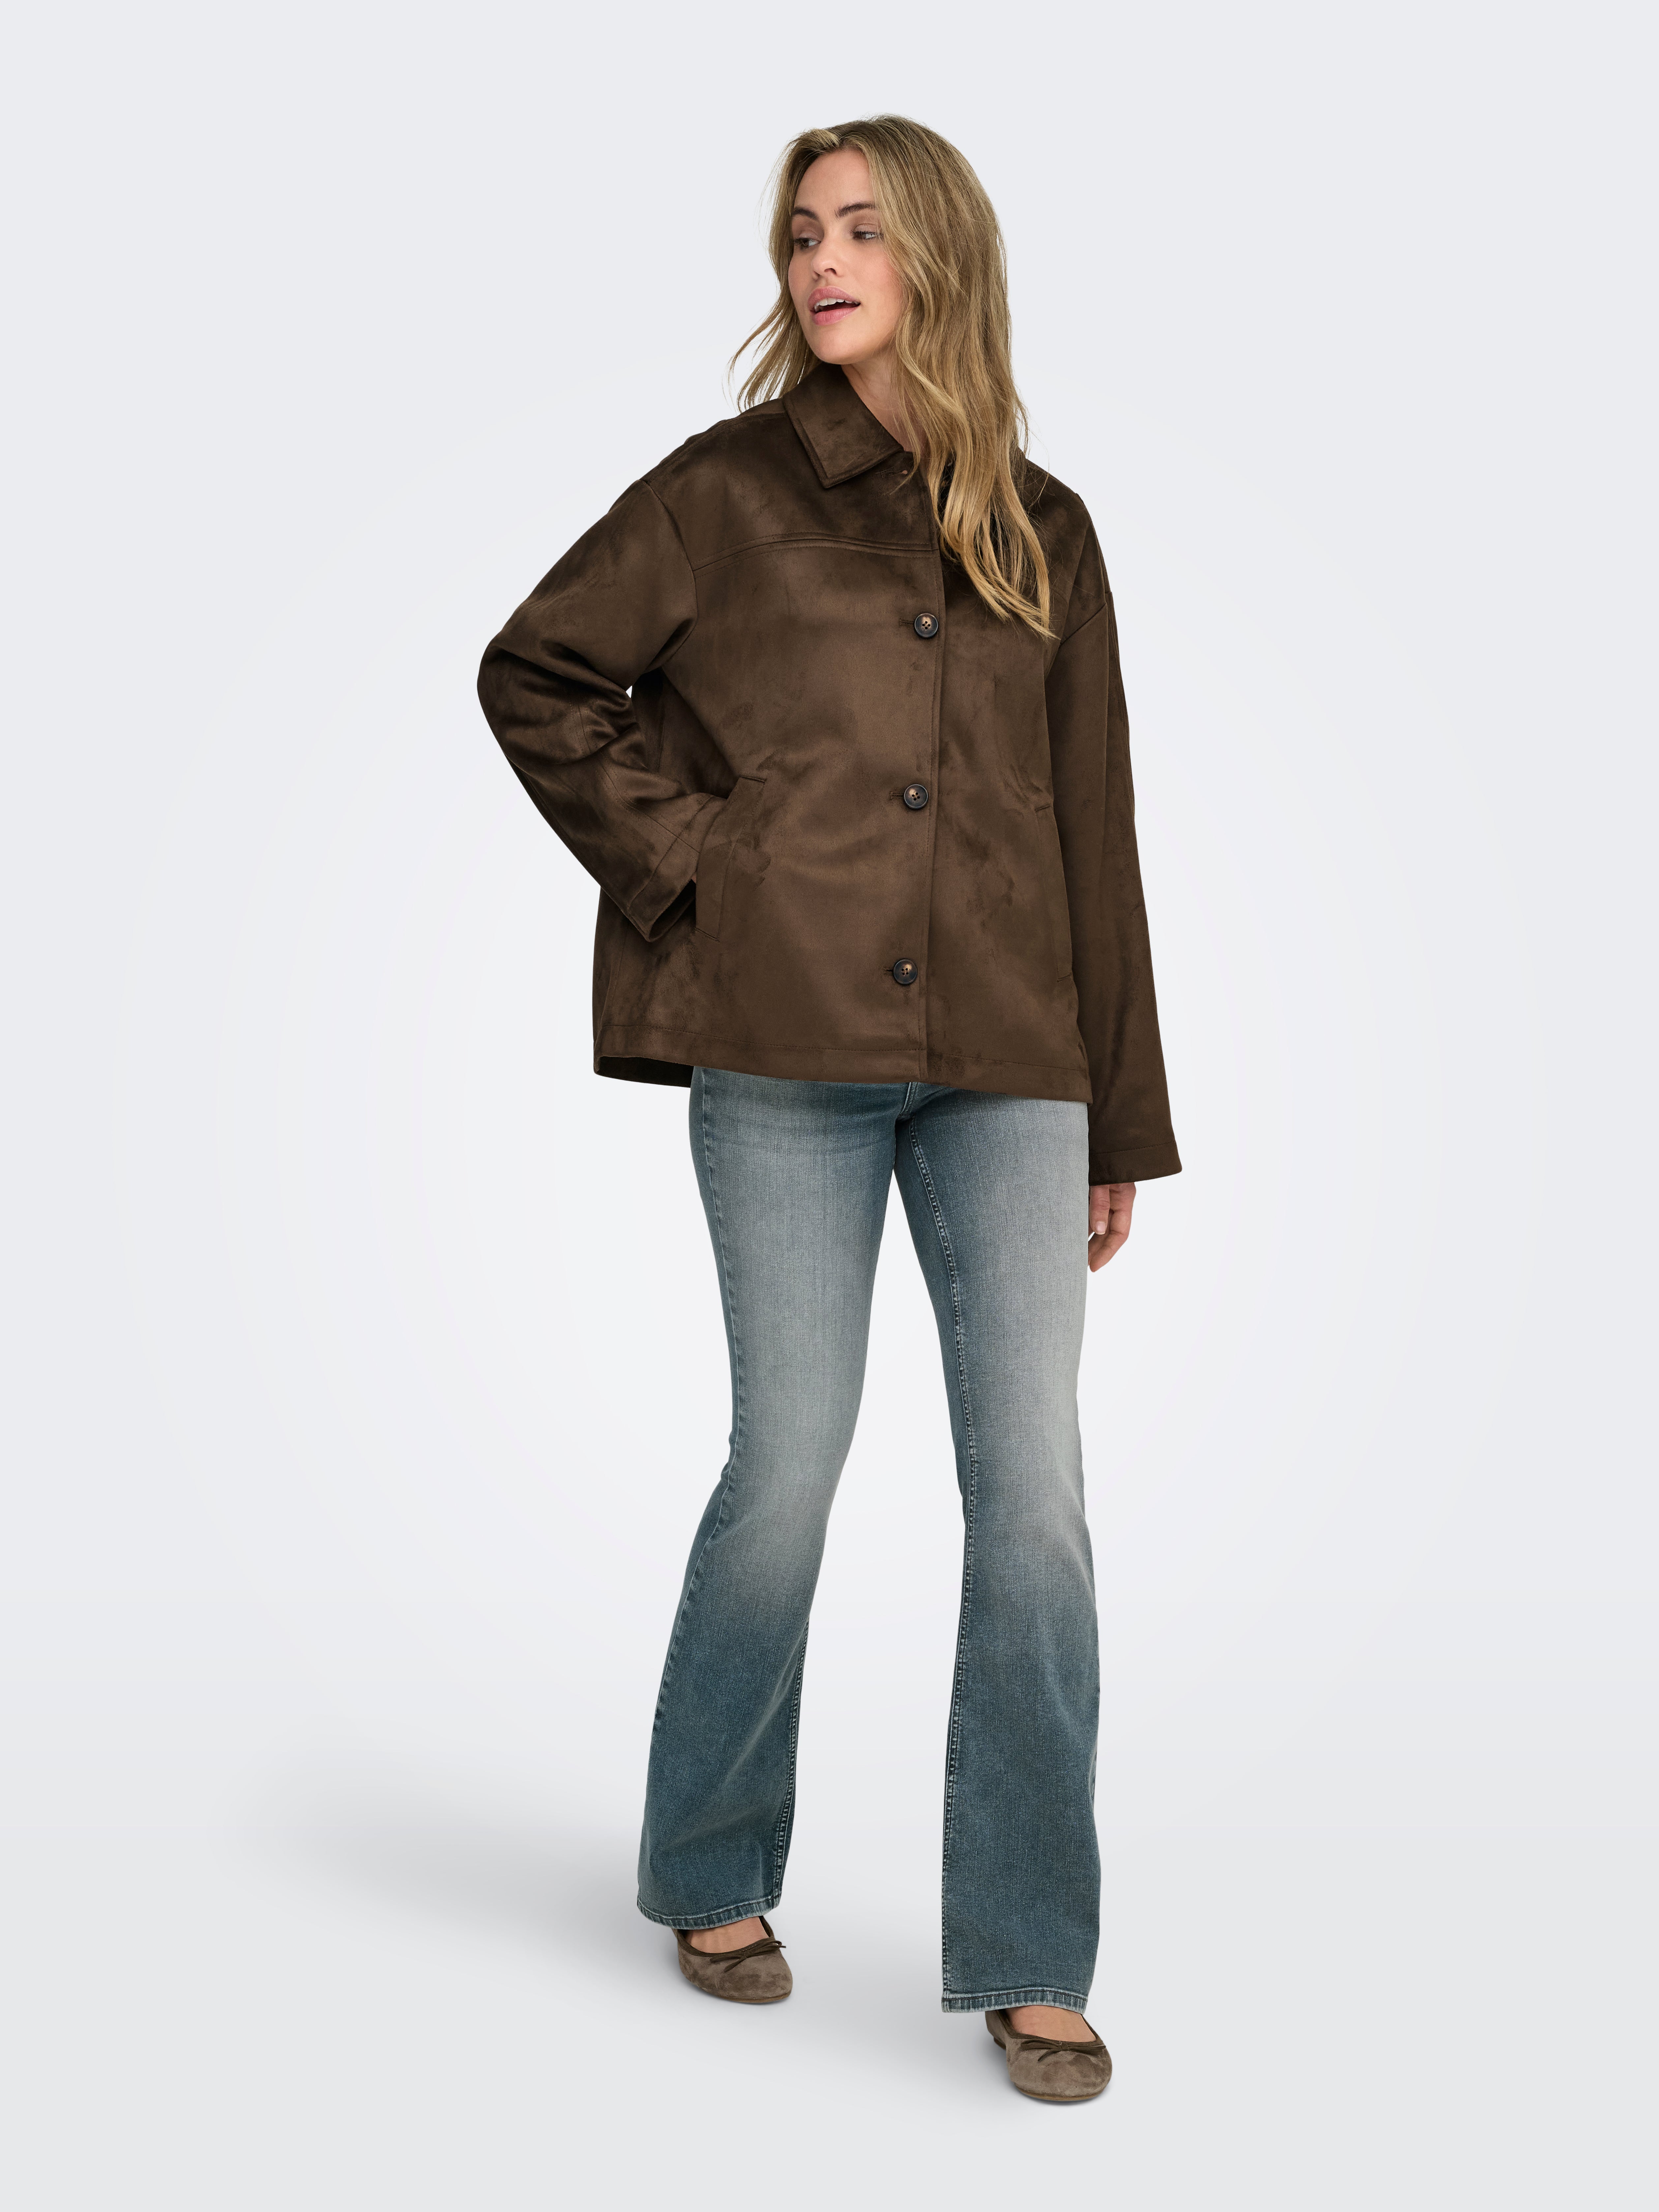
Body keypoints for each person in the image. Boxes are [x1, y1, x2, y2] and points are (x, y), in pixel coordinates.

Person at [476, 114, 1180, 2104]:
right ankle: (710, 1862)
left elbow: (1098, 831)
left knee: (1034, 1499)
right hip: (783, 1052)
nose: (822, 259)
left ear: (942, 253)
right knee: (787, 1465)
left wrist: (1122, 1116)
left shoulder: (1047, 526)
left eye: (862, 226)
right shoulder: (724, 493)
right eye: (801, 232)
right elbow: (539, 672)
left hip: (1013, 1063)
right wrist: (708, 862)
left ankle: (1032, 1951)